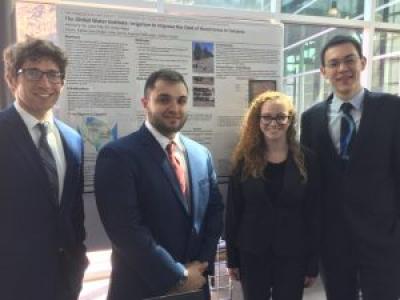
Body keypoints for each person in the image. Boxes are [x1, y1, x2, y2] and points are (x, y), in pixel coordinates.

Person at [95, 69, 224, 300]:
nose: (174, 108)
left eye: (181, 100)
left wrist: (200, 266)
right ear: (146, 103)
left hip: (196, 286)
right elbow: (126, 230)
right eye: (164, 99)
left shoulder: (200, 154)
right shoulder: (118, 156)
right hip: (143, 288)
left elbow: (214, 213)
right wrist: (178, 275)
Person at [301, 35, 400, 300]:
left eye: (349, 60)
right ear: (323, 72)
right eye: (334, 63)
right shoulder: (310, 119)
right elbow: (311, 183)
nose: (342, 69)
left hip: (383, 240)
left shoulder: (392, 109)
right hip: (333, 243)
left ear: (363, 63)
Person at [0, 38, 88, 300]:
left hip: (63, 281)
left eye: (53, 74)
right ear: (11, 78)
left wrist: (78, 262)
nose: (45, 83)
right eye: (32, 72)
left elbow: (74, 212)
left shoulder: (72, 139)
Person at [225, 91, 320, 300]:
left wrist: (313, 263)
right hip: (252, 252)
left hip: (294, 254)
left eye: (280, 116)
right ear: (258, 120)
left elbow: (314, 214)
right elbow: (233, 212)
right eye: (267, 117)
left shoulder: (308, 160)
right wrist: (232, 259)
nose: (273, 123)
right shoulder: (243, 160)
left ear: (290, 119)